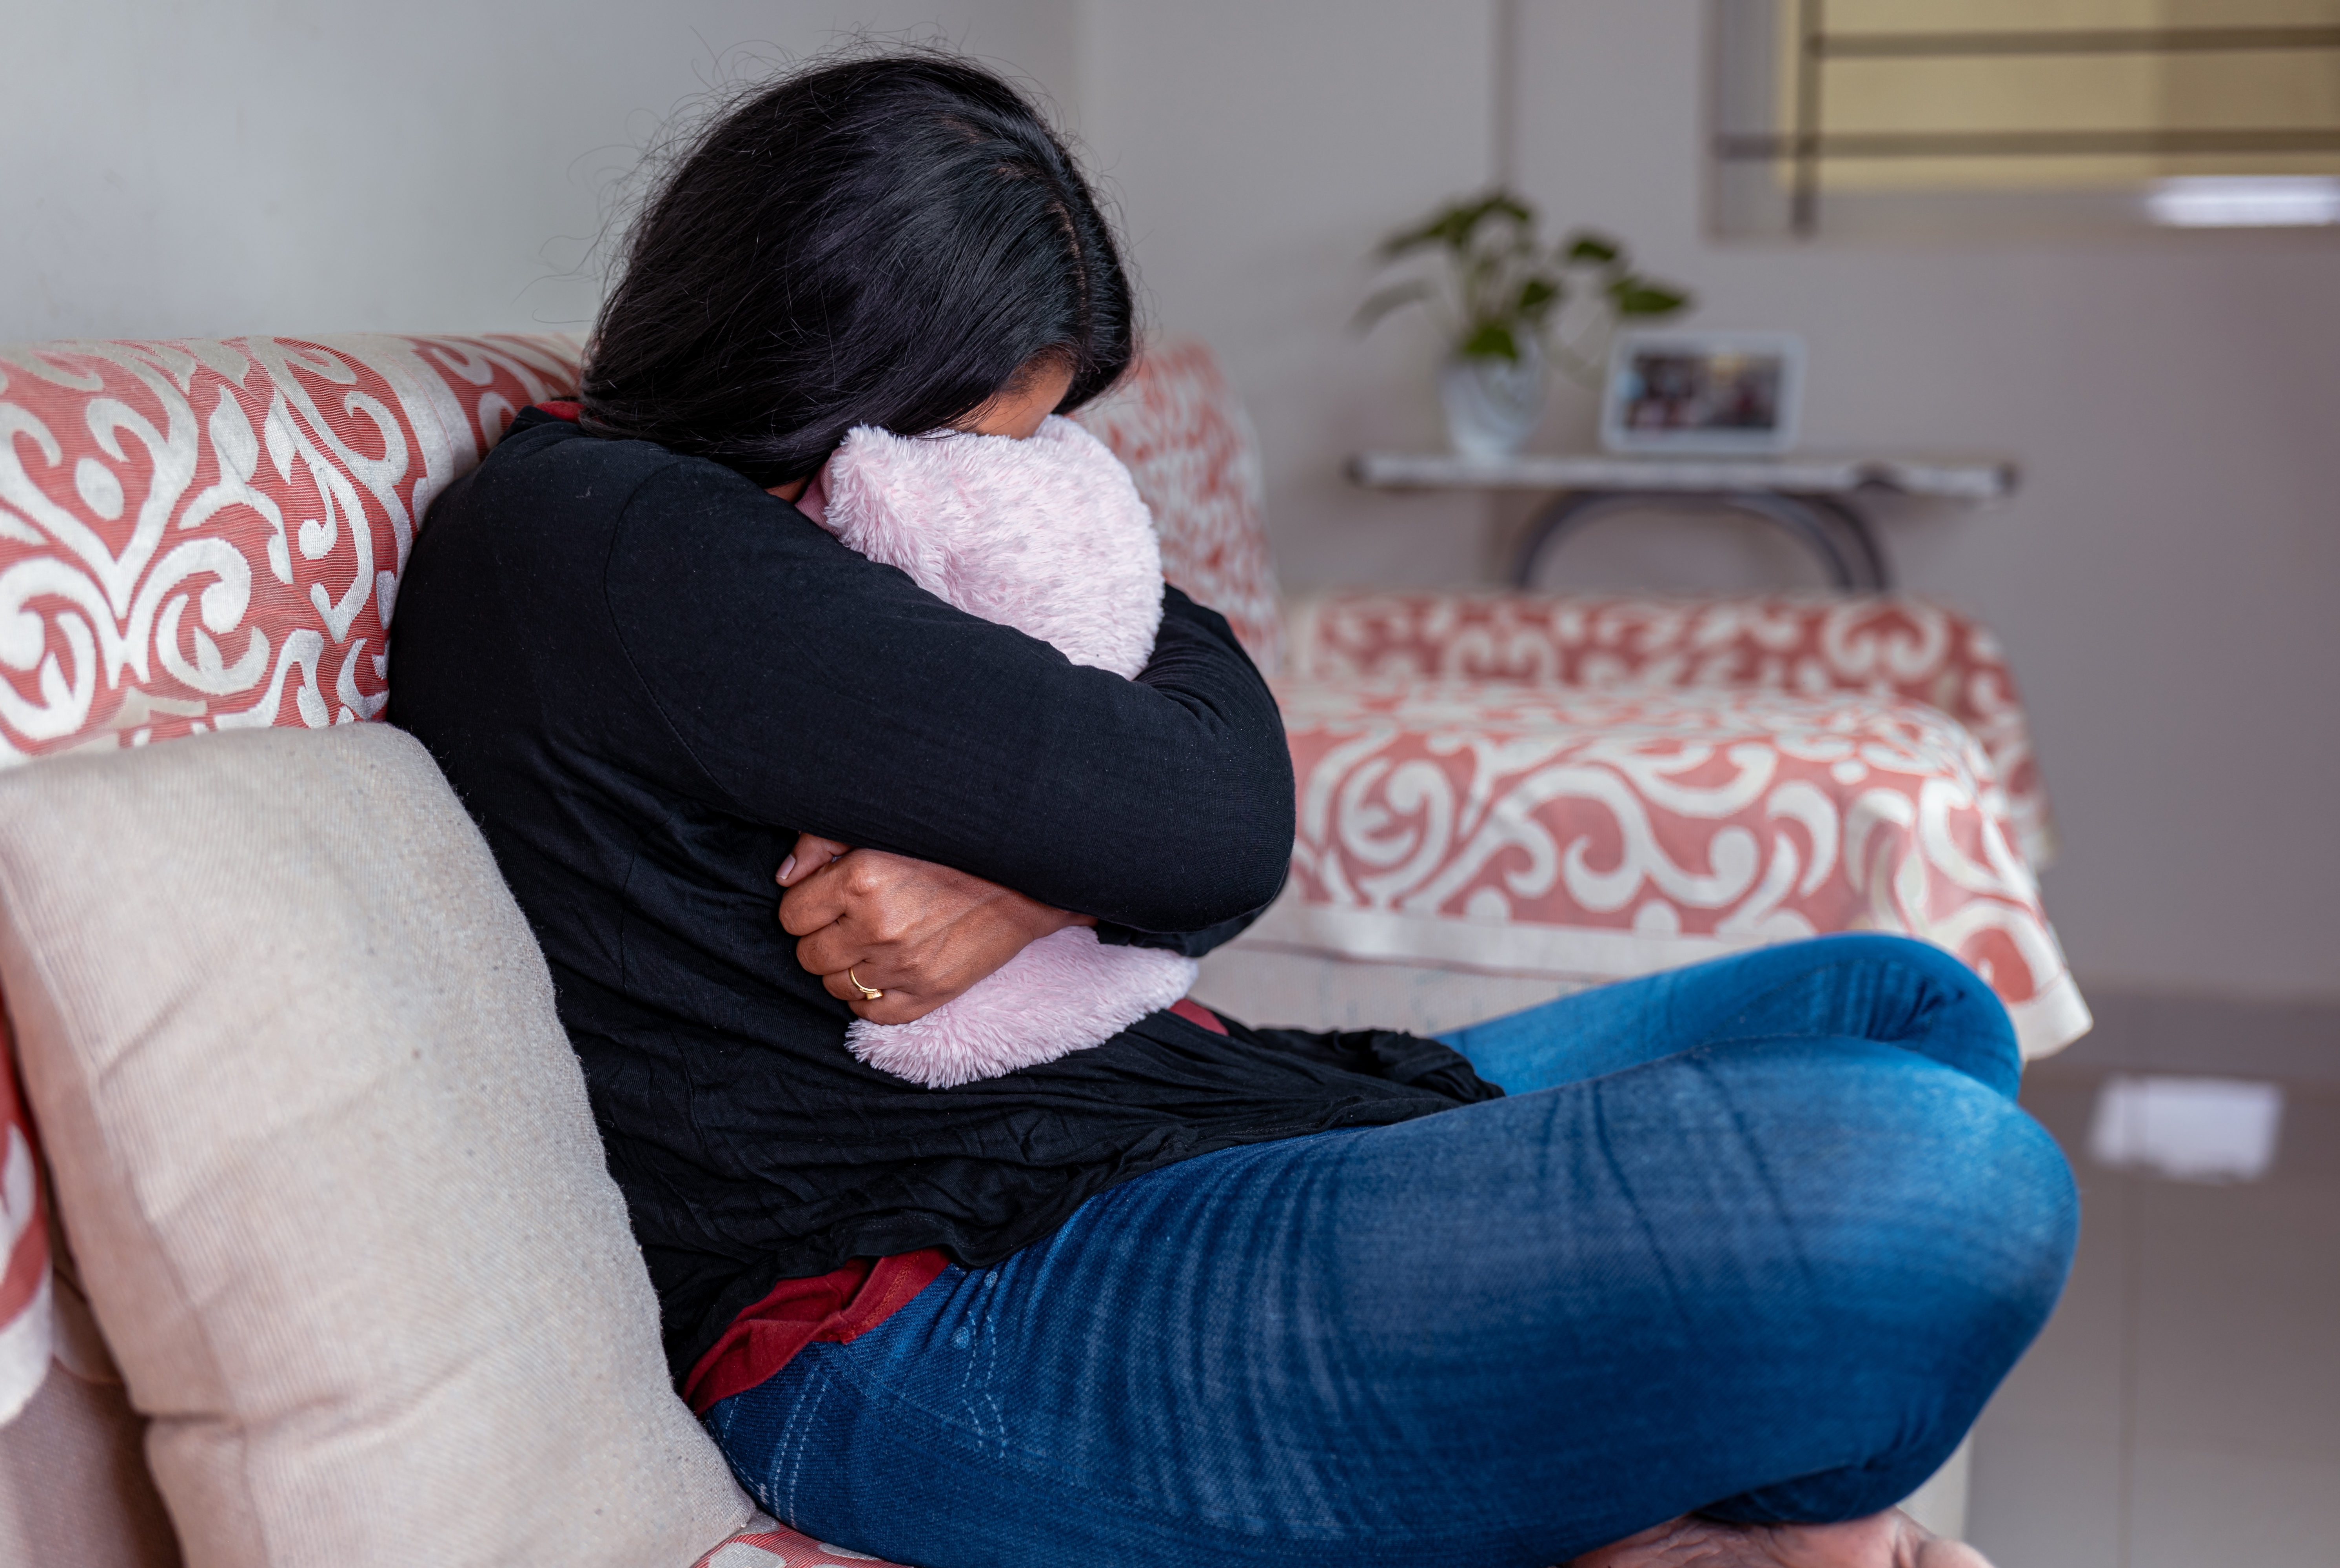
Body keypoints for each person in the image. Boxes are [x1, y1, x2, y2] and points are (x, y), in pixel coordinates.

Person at [385, 50, 2076, 1568]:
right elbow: (1210, 825)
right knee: (1949, 1189)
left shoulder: (791, 507)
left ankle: (1646, 1495)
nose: (1022, 488)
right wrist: (1095, 848)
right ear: (824, 364)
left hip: (1172, 1112)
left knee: (1906, 1003)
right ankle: (1703, 1517)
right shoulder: (625, 544)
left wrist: (1027, 891)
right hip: (943, 1319)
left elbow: (1199, 724)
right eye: (995, 444)